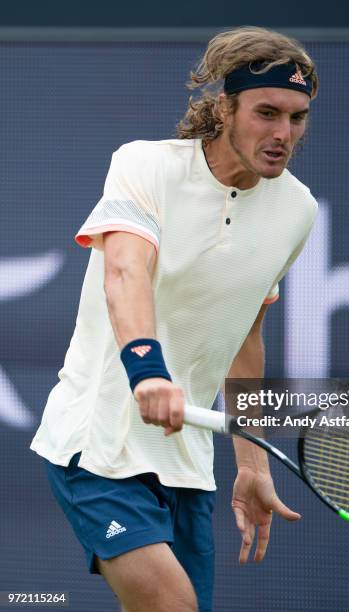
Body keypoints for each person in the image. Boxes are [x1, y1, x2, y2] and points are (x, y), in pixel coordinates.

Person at [30, 26, 319, 612]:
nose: (282, 134)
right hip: (99, 443)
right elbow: (124, 273)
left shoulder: (298, 210)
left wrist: (250, 459)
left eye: (297, 117)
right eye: (267, 112)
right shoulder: (144, 166)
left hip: (187, 464)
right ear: (225, 107)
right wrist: (148, 372)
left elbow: (244, 335)